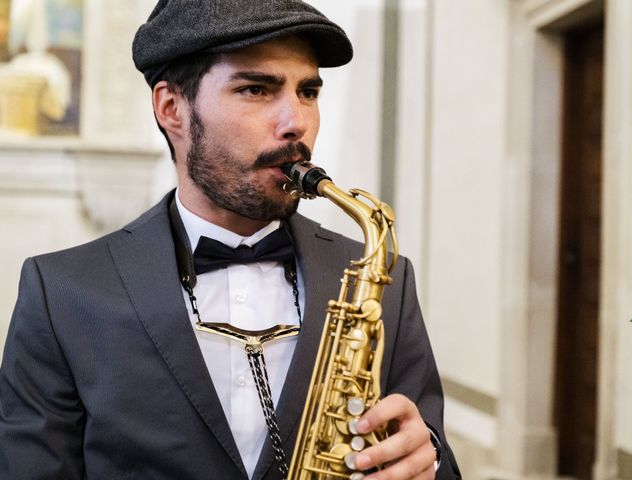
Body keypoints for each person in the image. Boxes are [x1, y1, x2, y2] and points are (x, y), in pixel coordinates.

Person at [0, 1, 462, 479]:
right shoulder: (60, 292)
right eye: (256, 89)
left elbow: (435, 458)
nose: (296, 123)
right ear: (171, 108)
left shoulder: (387, 278)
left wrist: (425, 456)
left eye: (308, 91)